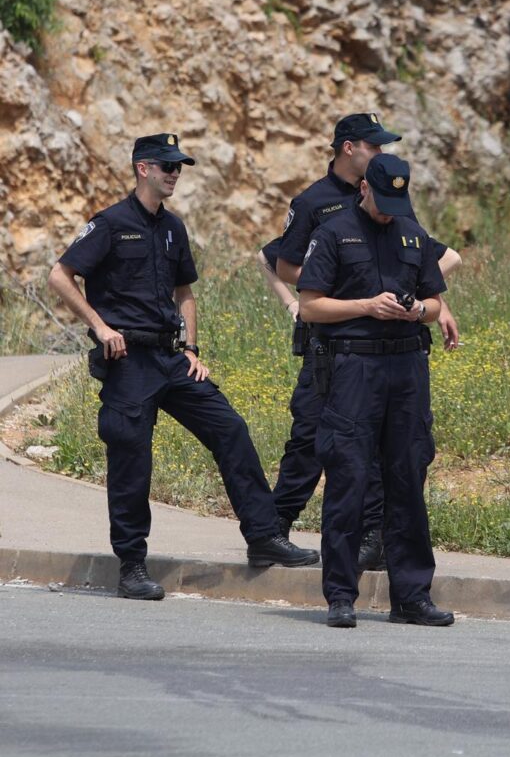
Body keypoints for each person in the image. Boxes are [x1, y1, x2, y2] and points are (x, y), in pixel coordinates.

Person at [48, 133, 319, 601]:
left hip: (170, 358)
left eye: (179, 167)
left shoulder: (172, 227)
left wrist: (191, 348)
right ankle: (132, 565)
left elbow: (185, 293)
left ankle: (263, 536)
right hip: (128, 360)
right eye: (167, 166)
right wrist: (99, 327)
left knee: (229, 428)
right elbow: (60, 274)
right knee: (132, 457)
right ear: (143, 169)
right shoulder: (110, 223)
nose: (175, 173)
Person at [256, 113, 460, 574]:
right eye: (375, 146)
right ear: (349, 148)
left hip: (387, 345)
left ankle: (376, 537)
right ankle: (273, 529)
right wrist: (331, 294)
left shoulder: (391, 195)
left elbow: (429, 258)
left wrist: (434, 306)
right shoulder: (315, 203)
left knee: (379, 445)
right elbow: (280, 262)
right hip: (332, 340)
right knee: (311, 433)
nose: (382, 153)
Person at [297, 153, 452, 629]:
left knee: (408, 479)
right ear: (364, 188)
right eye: (382, 201)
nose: (389, 211)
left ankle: (411, 596)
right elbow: (310, 307)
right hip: (353, 369)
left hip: (406, 368)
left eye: (396, 203)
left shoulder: (412, 232)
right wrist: (366, 305)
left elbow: (434, 302)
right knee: (349, 478)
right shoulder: (333, 233)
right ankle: (341, 595)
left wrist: (417, 311)